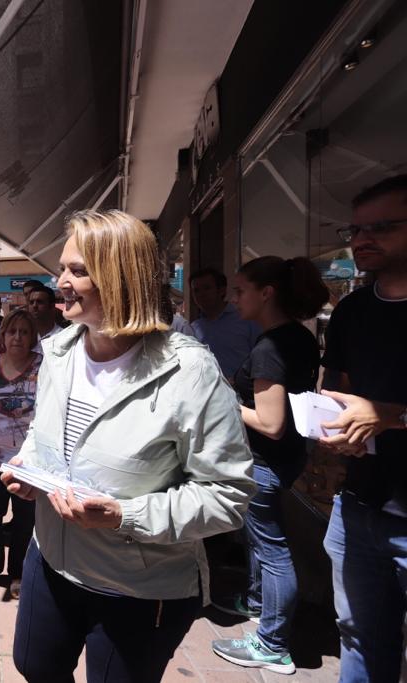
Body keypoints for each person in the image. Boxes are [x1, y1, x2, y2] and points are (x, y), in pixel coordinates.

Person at [1, 210, 254, 683]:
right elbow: (43, 433)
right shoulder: (56, 353)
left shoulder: (190, 372)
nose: (61, 282)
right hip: (50, 558)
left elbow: (228, 495)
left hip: (138, 586)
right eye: (63, 268)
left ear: (121, 278)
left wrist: (124, 515)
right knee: (33, 665)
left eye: (78, 271)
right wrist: (29, 467)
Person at [209, 256, 328, 674]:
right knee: (263, 542)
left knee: (273, 549)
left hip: (266, 462)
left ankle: (272, 644)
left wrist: (224, 397)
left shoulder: (271, 348)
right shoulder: (298, 337)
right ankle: (259, 604)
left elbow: (271, 423)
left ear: (267, 293)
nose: (233, 298)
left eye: (240, 290)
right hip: (284, 460)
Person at [316, 175, 407, 682]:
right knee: (358, 640)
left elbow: (378, 411)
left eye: (382, 227)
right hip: (357, 509)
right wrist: (334, 435)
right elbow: (339, 395)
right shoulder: (351, 310)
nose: (361, 240)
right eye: (355, 230)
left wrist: (391, 416)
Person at [0, 308, 41, 599]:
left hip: (29, 462)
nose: (17, 337)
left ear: (32, 337)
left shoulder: (43, 366)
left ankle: (17, 573)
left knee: (25, 522)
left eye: (24, 332)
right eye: (12, 331)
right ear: (3, 335)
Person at [189, 267, 261, 380]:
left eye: (207, 288)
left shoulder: (246, 320)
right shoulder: (193, 328)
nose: (201, 294)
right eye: (196, 290)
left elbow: (260, 360)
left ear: (222, 290)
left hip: (242, 394)